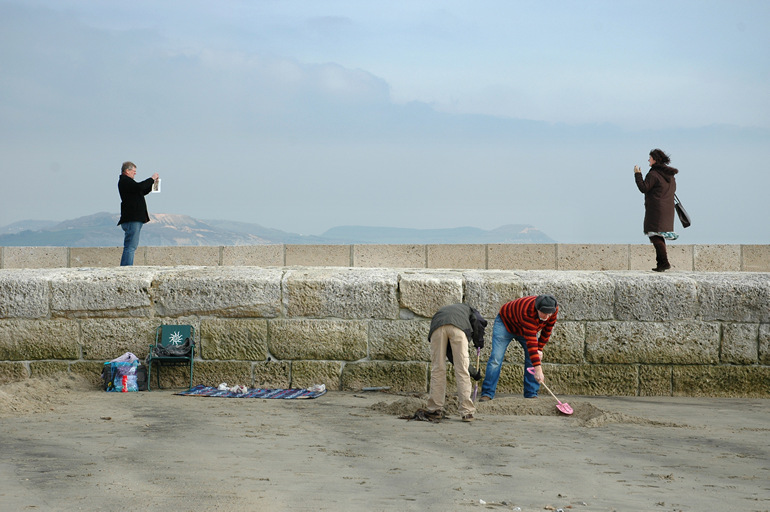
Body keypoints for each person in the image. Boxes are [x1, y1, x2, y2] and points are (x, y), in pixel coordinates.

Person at [479, 295, 558, 401]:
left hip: (525, 327)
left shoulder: (553, 309)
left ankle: (531, 394)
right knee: (496, 359)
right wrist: (538, 370)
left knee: (532, 359)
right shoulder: (528, 311)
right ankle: (487, 393)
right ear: (537, 308)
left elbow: (547, 330)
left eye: (549, 314)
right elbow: (531, 342)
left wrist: (540, 348)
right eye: (543, 313)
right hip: (505, 323)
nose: (546, 317)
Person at [425, 303, 487, 422]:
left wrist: (473, 372)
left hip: (437, 329)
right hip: (458, 329)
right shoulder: (471, 309)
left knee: (438, 369)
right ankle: (467, 412)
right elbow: (479, 323)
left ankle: (435, 409)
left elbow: (452, 356)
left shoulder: (446, 310)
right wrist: (479, 341)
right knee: (462, 370)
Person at [634, 148, 679, 272]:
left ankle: (664, 263)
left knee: (653, 234)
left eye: (650, 158)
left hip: (656, 210)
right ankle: (661, 264)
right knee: (659, 235)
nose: (648, 160)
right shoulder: (670, 176)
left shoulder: (653, 174)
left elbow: (644, 188)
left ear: (655, 159)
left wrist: (637, 174)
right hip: (667, 209)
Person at [117, 161, 159, 266]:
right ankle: (127, 268)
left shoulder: (128, 183)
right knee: (131, 246)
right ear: (127, 171)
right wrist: (151, 179)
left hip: (133, 218)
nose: (135, 173)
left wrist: (152, 184)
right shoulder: (125, 181)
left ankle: (126, 267)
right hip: (132, 219)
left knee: (130, 246)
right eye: (134, 171)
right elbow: (139, 187)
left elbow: (141, 191)